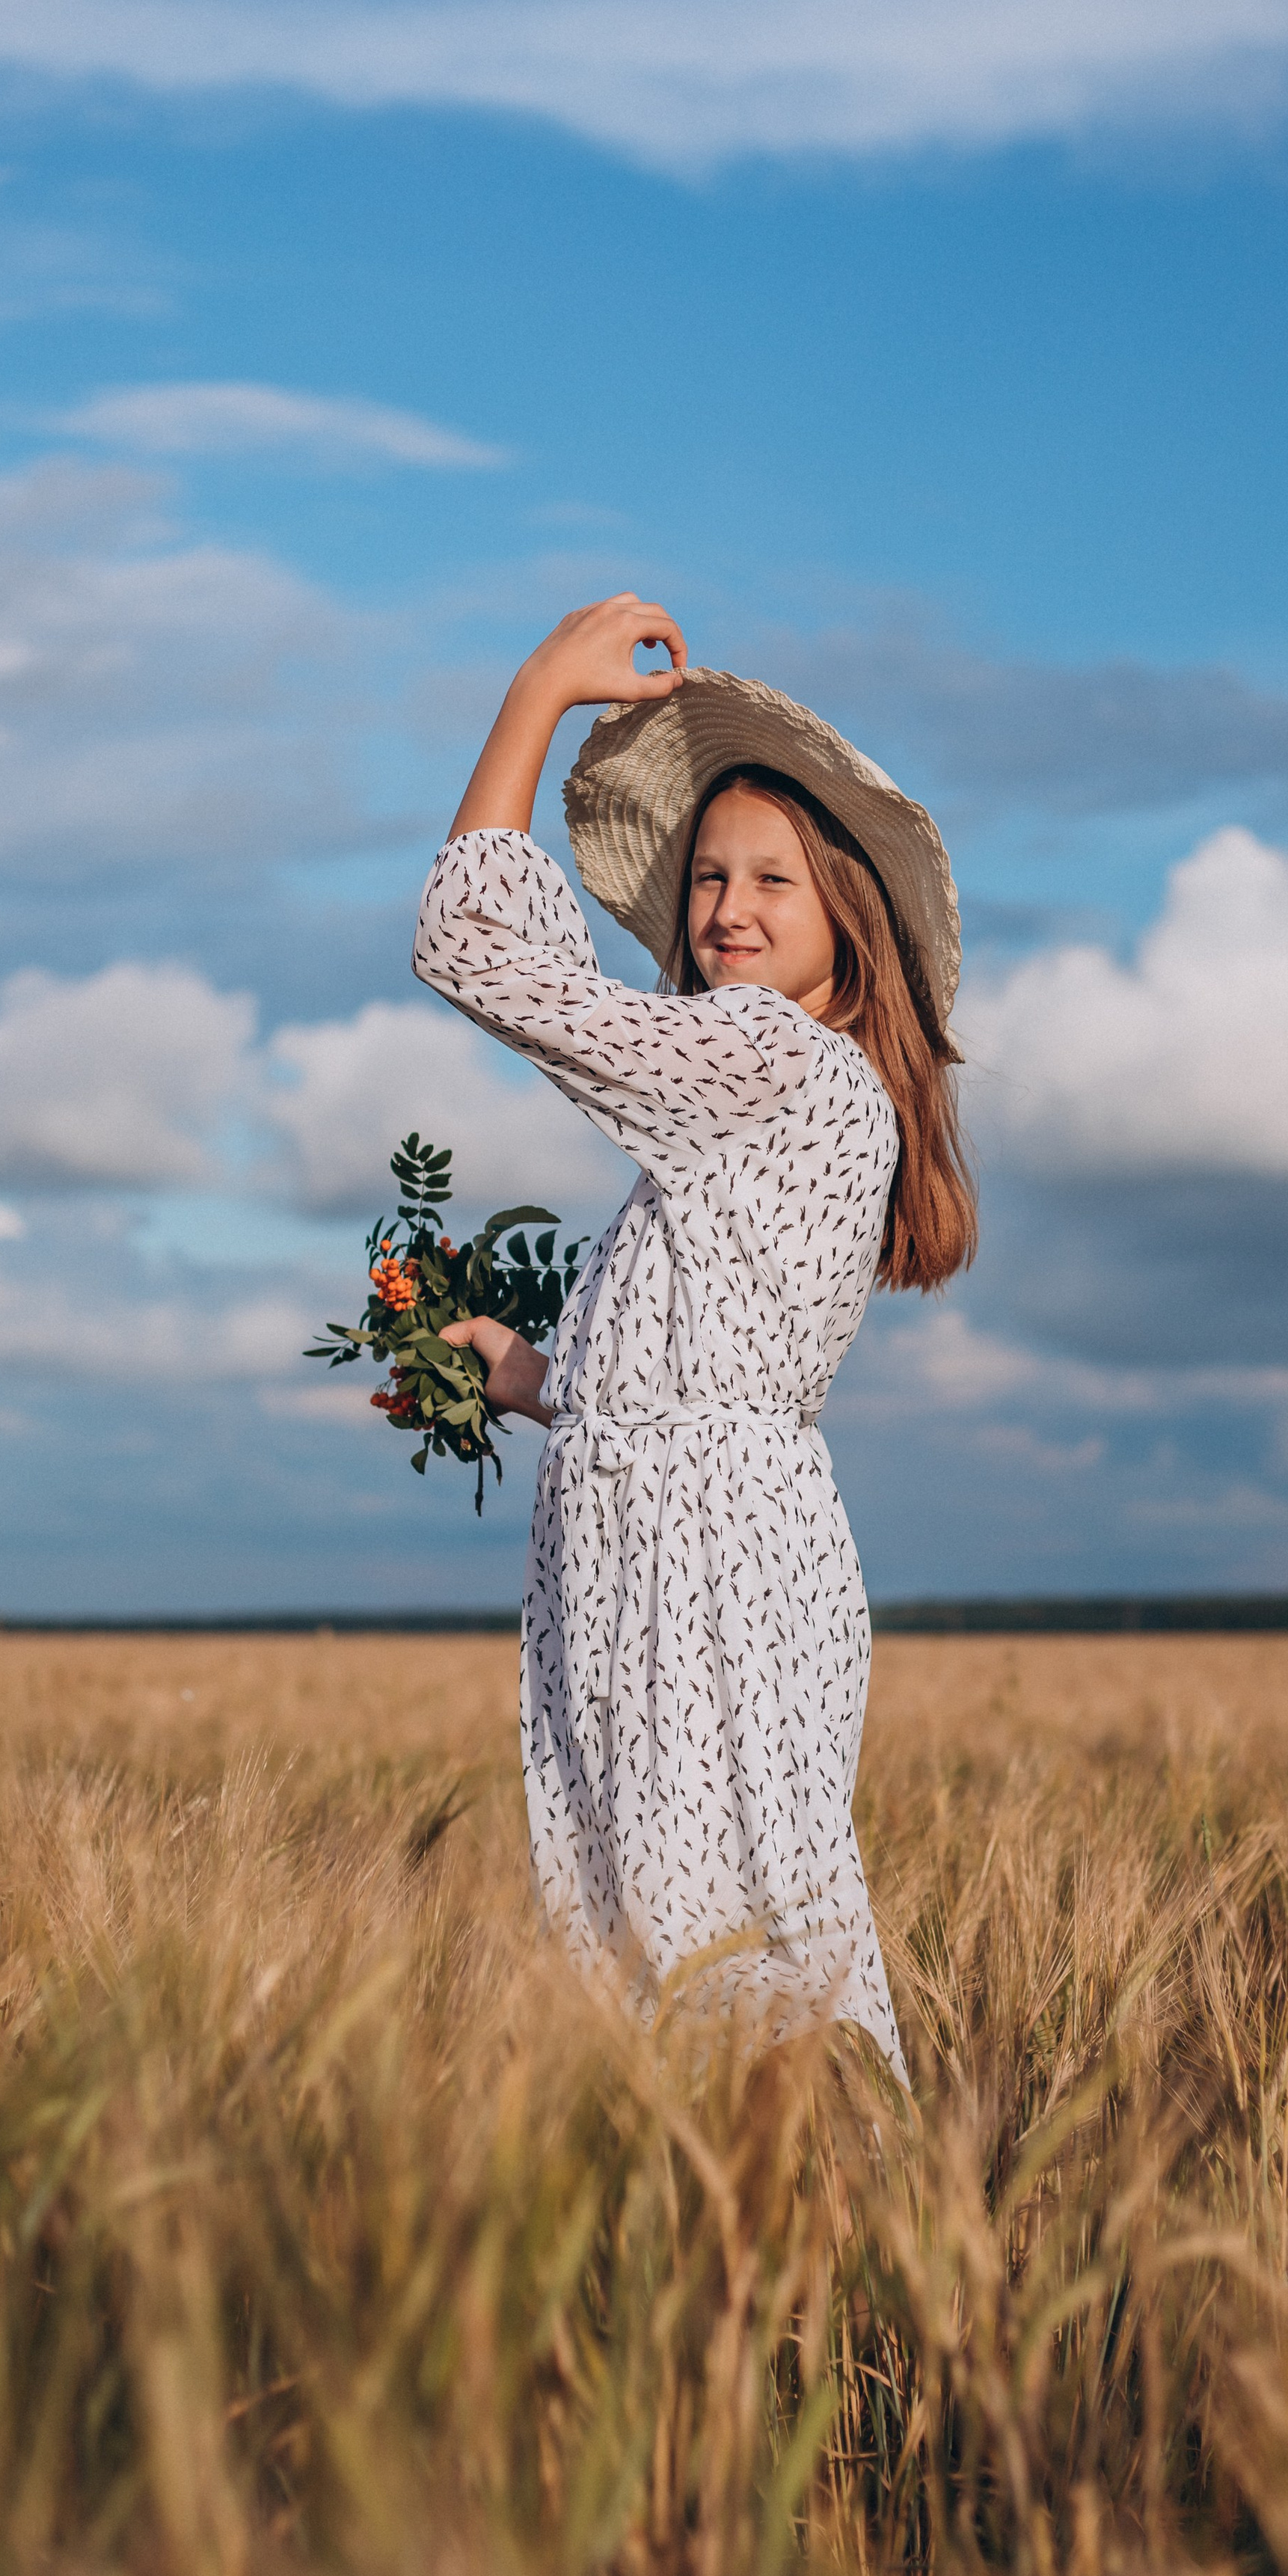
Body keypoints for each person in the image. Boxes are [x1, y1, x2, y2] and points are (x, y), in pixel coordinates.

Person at [414, 592, 975, 2077]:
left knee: (704, 1952)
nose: (724, 906)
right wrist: (538, 1383)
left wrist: (533, 690)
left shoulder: (770, 1053)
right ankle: (832, 2262)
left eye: (771, 879)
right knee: (731, 1935)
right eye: (707, 876)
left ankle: (821, 2247)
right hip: (686, 1532)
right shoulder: (785, 1087)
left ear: (847, 920)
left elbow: (477, 951)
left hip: (695, 1561)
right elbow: (702, 1361)